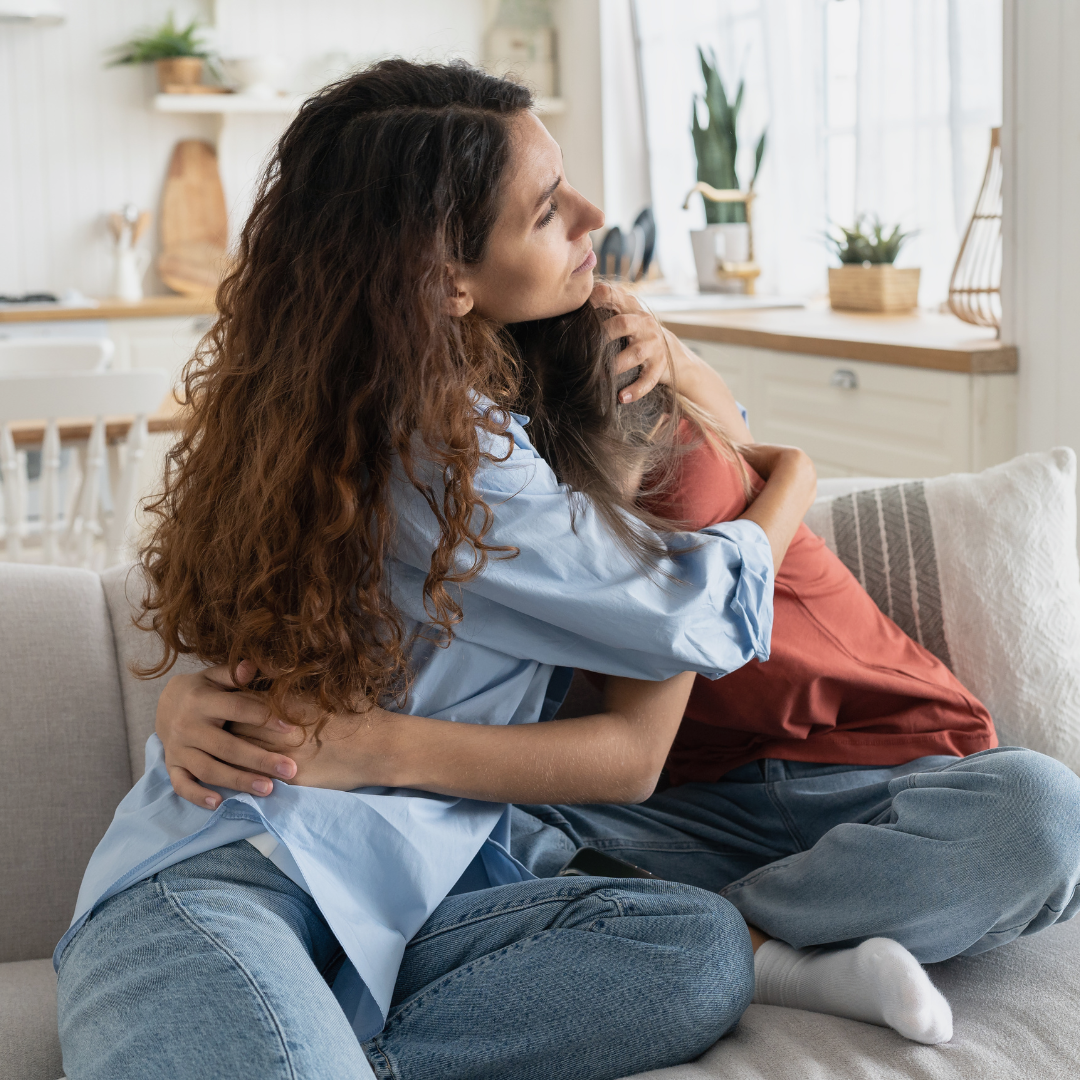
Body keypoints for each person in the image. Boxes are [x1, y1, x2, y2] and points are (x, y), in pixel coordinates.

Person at [56, 60, 814, 1080]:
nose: (593, 216)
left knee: (691, 949)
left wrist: (681, 367)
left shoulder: (368, 415)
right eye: (548, 211)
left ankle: (337, 1047)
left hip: (421, 901)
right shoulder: (441, 449)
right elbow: (688, 608)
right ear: (444, 279)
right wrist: (800, 477)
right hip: (234, 879)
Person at [166, 285, 1080, 1052]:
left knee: (1037, 811)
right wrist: (190, 701)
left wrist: (722, 404)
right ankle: (757, 939)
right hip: (667, 820)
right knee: (461, 835)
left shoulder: (657, 476)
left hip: (880, 774)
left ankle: (749, 940)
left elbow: (678, 624)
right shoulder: (474, 508)